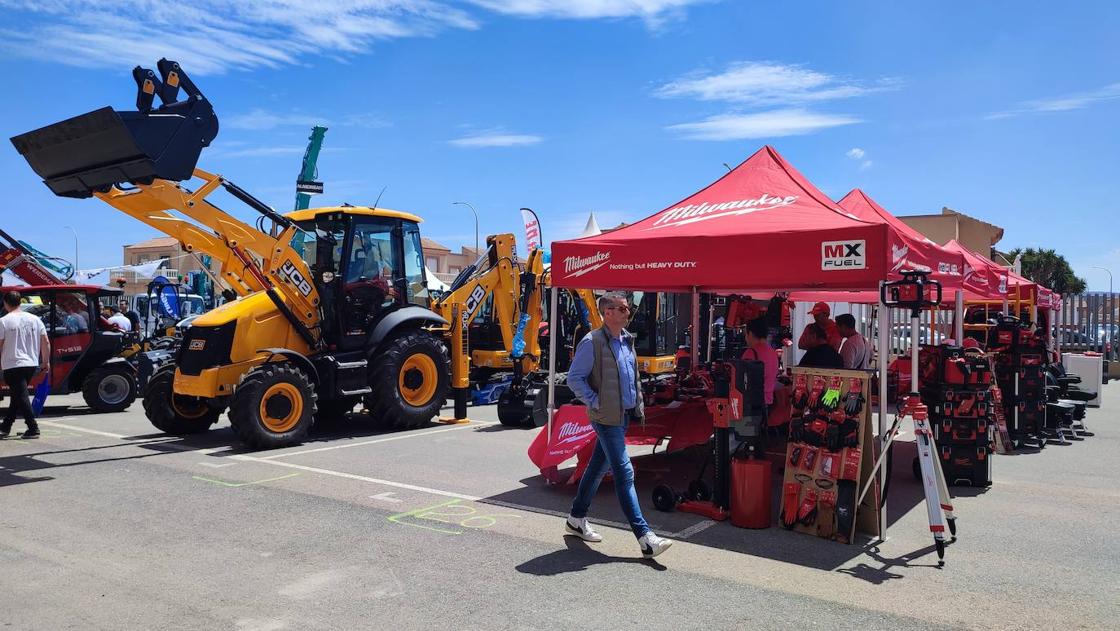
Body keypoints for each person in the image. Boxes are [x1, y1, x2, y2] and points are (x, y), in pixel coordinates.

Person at [564, 292, 673, 559]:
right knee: (625, 473)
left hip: (622, 416)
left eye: (627, 308)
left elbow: (632, 377)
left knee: (597, 467)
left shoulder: (627, 341)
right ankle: (645, 537)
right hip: (605, 418)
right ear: (608, 313)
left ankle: (576, 518)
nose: (628, 312)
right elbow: (574, 379)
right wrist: (595, 401)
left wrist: (637, 405)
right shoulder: (592, 342)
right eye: (623, 309)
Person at [0, 291, 50, 439]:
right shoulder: (35, 319)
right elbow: (45, 341)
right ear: (20, 302)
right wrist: (45, 361)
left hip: (12, 362)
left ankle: (33, 427)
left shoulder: (4, 321)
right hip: (31, 363)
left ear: (5, 303)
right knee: (18, 395)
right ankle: (6, 426)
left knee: (21, 395)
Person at [741, 318, 779, 406]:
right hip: (768, 402)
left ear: (750, 333)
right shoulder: (773, 352)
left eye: (745, 334)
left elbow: (742, 380)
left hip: (753, 404)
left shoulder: (751, 353)